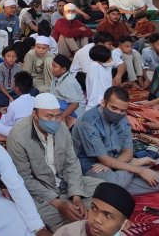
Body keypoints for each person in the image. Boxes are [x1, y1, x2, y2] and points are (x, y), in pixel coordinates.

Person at [7, 93, 103, 232]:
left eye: (57, 115)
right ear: (35, 114)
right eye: (48, 116)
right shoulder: (17, 137)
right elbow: (25, 179)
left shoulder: (61, 127)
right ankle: (74, 223)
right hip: (42, 191)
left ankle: (79, 212)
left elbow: (72, 163)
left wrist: (76, 196)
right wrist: (57, 203)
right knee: (44, 214)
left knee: (104, 189)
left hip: (65, 183)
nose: (54, 120)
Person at [72, 86, 159, 195]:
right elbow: (103, 159)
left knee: (158, 181)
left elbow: (128, 152)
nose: (118, 113)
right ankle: (130, 169)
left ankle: (108, 188)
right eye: (114, 108)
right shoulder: (88, 122)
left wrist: (112, 164)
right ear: (103, 103)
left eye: (122, 110)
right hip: (90, 164)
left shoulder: (122, 117)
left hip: (114, 159)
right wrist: (139, 169)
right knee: (115, 182)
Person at [53, 183, 135, 236]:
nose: (96, 219)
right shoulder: (68, 233)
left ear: (125, 225)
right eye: (94, 208)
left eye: (108, 216)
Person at [0, 71, 36, 138]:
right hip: (33, 131)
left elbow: (6, 122)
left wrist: (3, 114)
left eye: (13, 83)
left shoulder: (13, 104)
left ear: (16, 88)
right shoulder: (35, 100)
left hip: (19, 133)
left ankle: (7, 138)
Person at [50, 54, 86, 128]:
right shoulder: (56, 75)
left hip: (76, 110)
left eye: (55, 66)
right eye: (52, 65)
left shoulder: (68, 82)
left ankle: (71, 120)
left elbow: (75, 104)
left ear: (63, 69)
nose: (52, 68)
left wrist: (62, 116)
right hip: (64, 102)